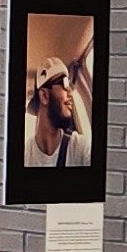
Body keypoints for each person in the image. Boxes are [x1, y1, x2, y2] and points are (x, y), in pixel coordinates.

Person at [21, 32, 94, 173]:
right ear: (44, 96)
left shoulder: (80, 148)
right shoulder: (25, 156)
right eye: (65, 83)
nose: (70, 92)